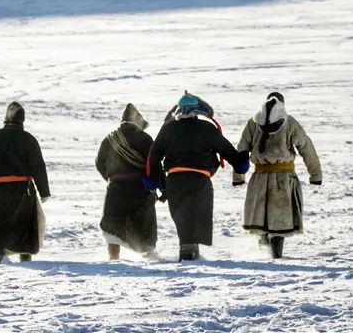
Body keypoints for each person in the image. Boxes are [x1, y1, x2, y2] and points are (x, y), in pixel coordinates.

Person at [145, 91, 250, 261]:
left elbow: (154, 154)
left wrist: (152, 180)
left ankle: (187, 249)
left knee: (181, 216)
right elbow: (227, 150)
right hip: (200, 180)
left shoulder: (169, 128)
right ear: (197, 111)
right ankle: (191, 251)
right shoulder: (207, 128)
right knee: (196, 215)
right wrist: (240, 163)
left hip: (175, 180)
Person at [234, 92, 322, 258]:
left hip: (259, 178)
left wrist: (238, 177)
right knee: (279, 219)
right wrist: (315, 175)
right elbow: (306, 147)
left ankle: (265, 254)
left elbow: (241, 151)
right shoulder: (289, 122)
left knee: (261, 219)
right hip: (283, 178)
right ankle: (275, 255)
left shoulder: (253, 123)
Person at [0, 102, 51, 263]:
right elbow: (38, 166)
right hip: (23, 190)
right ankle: (25, 256)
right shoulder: (29, 139)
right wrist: (44, 192)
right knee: (25, 225)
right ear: (22, 120)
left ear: (6, 118)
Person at [95, 103, 157, 260]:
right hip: (140, 187)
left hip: (115, 187)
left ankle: (113, 257)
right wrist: (158, 184)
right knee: (144, 221)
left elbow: (99, 162)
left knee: (113, 224)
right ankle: (149, 255)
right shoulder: (145, 138)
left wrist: (109, 177)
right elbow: (154, 163)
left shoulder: (109, 139)